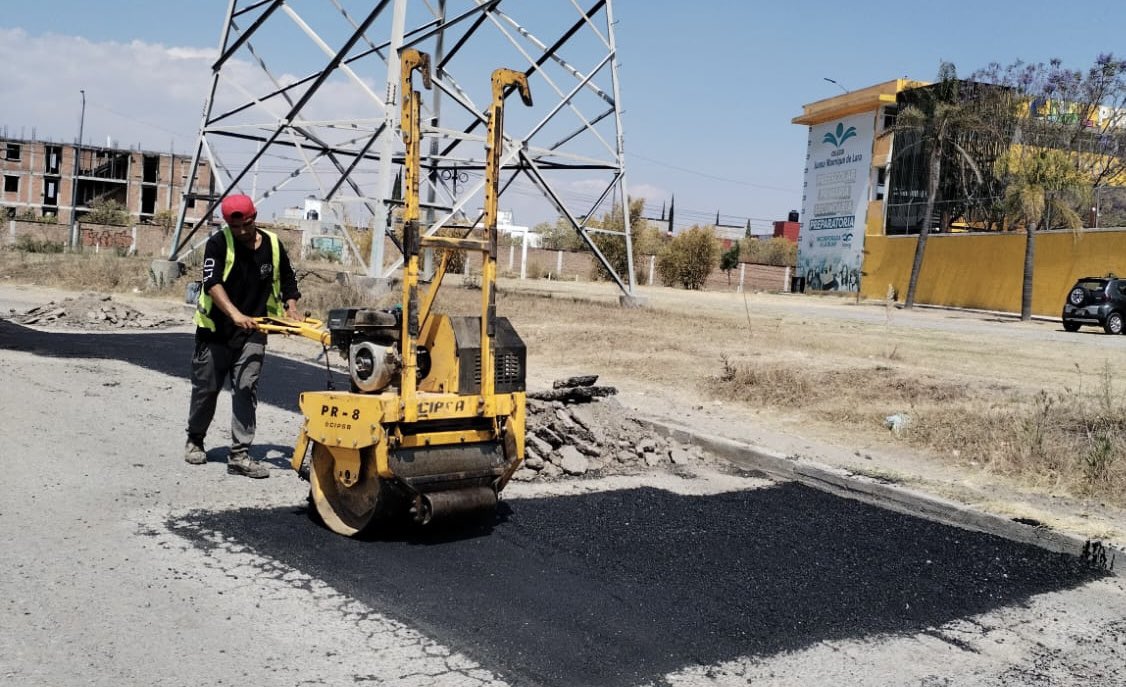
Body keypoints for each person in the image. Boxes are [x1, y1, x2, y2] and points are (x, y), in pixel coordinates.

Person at [184, 194, 301, 478]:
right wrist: (234, 314)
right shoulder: (218, 243)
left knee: (246, 389)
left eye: (246, 225)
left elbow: (287, 278)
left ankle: (239, 454)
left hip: (254, 331)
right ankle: (195, 439)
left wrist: (291, 305)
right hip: (216, 332)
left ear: (254, 218)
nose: (241, 232)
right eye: (235, 227)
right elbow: (212, 283)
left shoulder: (272, 244)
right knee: (206, 390)